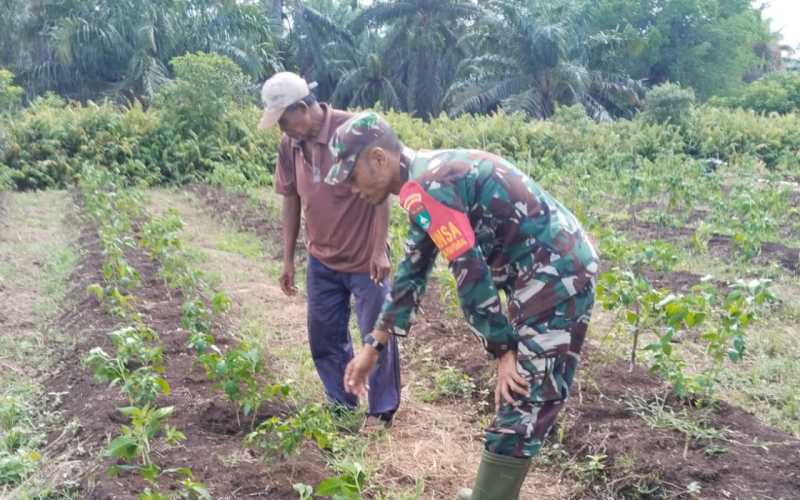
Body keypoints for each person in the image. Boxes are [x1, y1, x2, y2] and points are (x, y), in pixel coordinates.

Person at [325, 112, 600, 499]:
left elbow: (469, 271)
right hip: (542, 270)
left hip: (556, 272)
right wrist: (374, 345)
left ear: (378, 159)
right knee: (523, 392)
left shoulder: (430, 186)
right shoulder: (424, 179)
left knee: (523, 394)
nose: (352, 188)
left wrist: (503, 348)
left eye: (352, 175)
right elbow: (411, 270)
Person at [258, 73, 401, 432]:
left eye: (283, 121)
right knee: (324, 334)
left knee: (376, 333)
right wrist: (289, 257)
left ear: (302, 108)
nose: (282, 130)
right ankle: (341, 401)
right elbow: (291, 199)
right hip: (321, 258)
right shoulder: (289, 147)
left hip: (365, 257)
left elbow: (381, 189)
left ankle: (380, 410)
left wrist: (379, 249)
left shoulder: (353, 131)